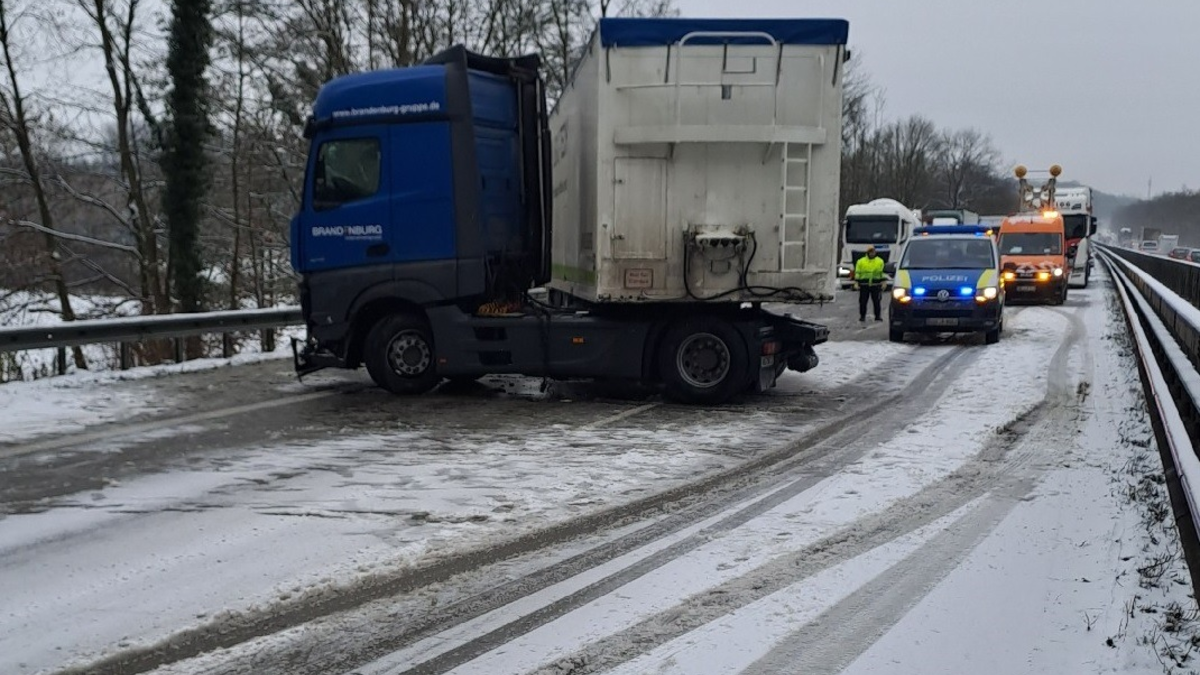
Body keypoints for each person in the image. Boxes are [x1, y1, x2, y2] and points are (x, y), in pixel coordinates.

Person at [853, 246, 885, 322]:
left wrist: (884, 282)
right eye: (870, 252)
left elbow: (882, 273)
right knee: (863, 302)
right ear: (867, 252)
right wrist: (856, 282)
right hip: (864, 285)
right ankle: (862, 316)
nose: (872, 253)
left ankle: (877, 316)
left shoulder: (880, 261)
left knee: (876, 302)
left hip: (875, 285)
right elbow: (858, 273)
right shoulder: (861, 261)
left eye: (873, 251)